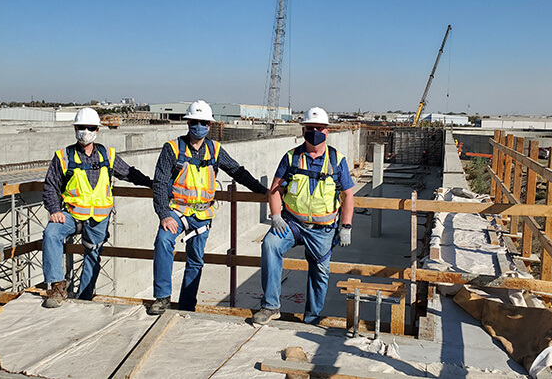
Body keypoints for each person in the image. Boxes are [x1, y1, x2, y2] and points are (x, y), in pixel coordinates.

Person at [148, 100, 268, 315]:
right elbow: (159, 181)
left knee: (195, 261)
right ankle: (162, 298)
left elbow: (237, 171)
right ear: (188, 123)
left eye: (203, 122)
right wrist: (164, 214)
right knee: (163, 242)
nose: (199, 126)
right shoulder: (172, 149)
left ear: (210, 125)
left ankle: (186, 306)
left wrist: (261, 190)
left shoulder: (215, 150)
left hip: (203, 214)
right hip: (177, 211)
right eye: (195, 122)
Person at [42, 107, 153, 308]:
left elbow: (129, 173)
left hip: (98, 218)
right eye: (81, 127)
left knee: (92, 255)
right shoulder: (64, 156)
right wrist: (54, 210)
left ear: (97, 130)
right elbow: (50, 186)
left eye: (90, 127)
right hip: (72, 216)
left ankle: (84, 299)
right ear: (75, 129)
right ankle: (57, 287)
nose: (85, 131)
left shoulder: (107, 155)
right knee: (51, 233)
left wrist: (152, 183)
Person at [253, 107, 354, 326]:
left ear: (327, 131)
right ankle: (271, 306)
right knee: (270, 244)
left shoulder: (337, 160)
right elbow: (275, 189)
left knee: (320, 271)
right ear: (303, 129)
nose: (315, 132)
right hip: (291, 223)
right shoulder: (291, 157)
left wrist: (346, 226)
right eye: (310, 128)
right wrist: (276, 216)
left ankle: (312, 317)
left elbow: (347, 196)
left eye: (319, 128)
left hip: (322, 229)